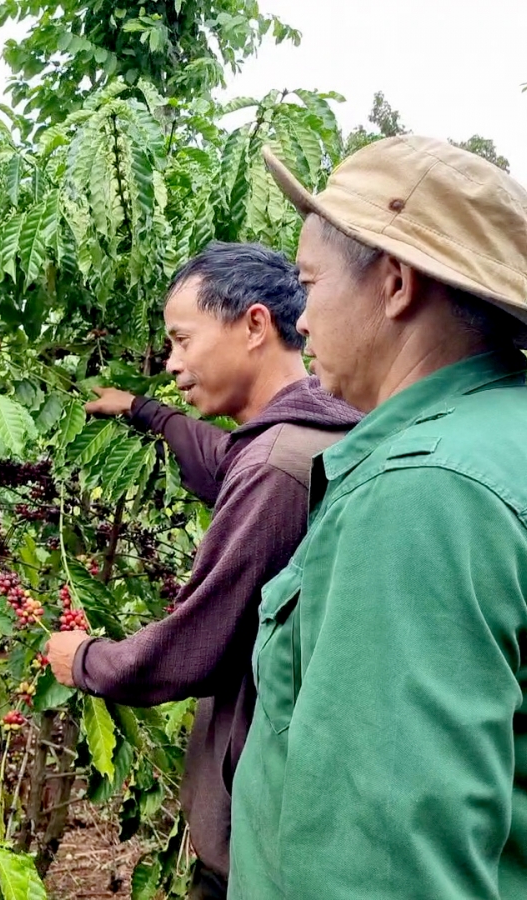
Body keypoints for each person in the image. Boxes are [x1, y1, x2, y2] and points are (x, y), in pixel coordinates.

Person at [228, 137, 527, 899]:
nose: (301, 322)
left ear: (394, 283)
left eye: (310, 283)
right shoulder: (503, 438)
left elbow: (388, 865)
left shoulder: (422, 492)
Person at [45, 242, 360, 899]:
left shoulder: (277, 467)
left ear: (252, 325)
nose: (173, 363)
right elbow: (224, 459)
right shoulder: (316, 433)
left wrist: (87, 659)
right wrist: (145, 410)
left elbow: (196, 647)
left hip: (272, 840)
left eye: (182, 340)